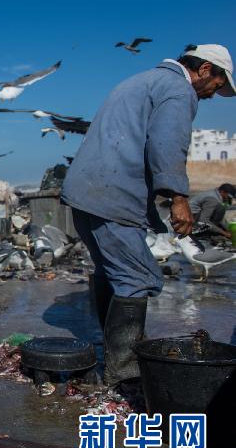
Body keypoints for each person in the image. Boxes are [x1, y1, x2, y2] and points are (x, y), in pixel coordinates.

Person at [62, 44, 235, 386]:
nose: (215, 93)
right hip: (112, 193)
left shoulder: (142, 80)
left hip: (86, 192)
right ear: (203, 70)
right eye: (217, 85)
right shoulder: (177, 90)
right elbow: (167, 143)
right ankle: (123, 369)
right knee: (138, 278)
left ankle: (112, 350)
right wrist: (179, 197)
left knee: (112, 272)